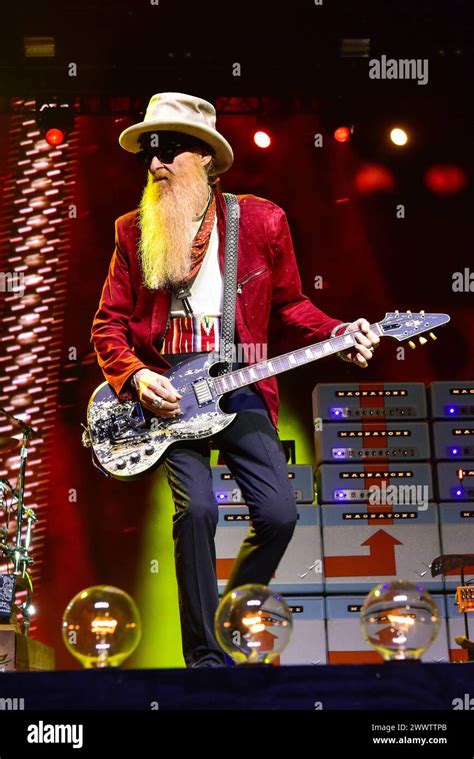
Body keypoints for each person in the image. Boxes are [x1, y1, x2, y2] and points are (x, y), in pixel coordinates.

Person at [90, 92, 380, 667]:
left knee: (279, 514)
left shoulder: (262, 220)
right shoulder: (131, 231)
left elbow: (292, 307)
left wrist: (341, 332)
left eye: (169, 151)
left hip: (239, 384)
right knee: (195, 511)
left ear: (207, 159)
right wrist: (138, 376)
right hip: (168, 396)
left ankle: (224, 616)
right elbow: (108, 325)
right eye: (150, 152)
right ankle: (205, 657)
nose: (154, 165)